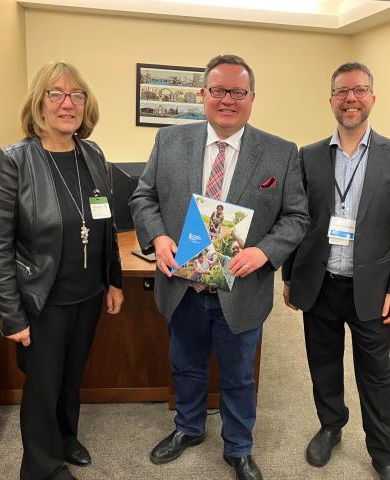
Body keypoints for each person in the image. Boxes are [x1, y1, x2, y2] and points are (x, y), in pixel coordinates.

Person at [130, 54, 309, 480]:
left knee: (238, 377)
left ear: (251, 98)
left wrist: (265, 251)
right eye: (218, 90)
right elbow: (143, 197)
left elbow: (297, 217)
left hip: (241, 290)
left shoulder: (281, 153)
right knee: (186, 365)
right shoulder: (170, 142)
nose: (227, 99)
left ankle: (239, 448)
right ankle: (188, 429)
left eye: (238, 92)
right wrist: (158, 237)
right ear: (203, 95)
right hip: (183, 286)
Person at [0, 61, 124, 480]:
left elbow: (106, 225)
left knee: (70, 376)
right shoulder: (14, 160)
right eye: (57, 94)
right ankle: (42, 467)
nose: (68, 103)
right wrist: (11, 314)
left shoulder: (92, 154)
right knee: (42, 386)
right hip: (41, 298)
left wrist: (112, 280)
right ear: (39, 103)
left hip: (87, 293)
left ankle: (66, 438)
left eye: (77, 95)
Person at [282, 62, 390, 480]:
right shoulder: (306, 156)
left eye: (359, 90)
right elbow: (296, 221)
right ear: (331, 101)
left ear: (372, 99)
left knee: (376, 374)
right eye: (342, 92)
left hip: (372, 289)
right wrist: (289, 275)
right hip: (319, 282)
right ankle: (330, 425)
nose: (350, 99)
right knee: (322, 363)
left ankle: (385, 452)